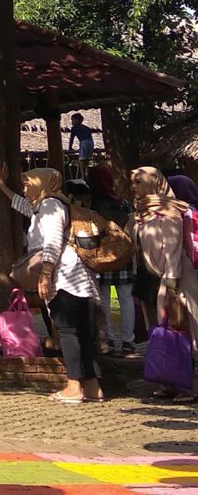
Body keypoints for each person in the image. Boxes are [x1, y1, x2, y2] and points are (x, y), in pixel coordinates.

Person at [18, 167, 105, 405]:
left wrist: (46, 274)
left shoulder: (49, 206)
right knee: (84, 334)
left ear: (41, 183)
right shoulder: (46, 205)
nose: (24, 189)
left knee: (67, 331)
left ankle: (74, 386)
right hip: (78, 278)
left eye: (27, 184)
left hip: (65, 277)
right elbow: (23, 205)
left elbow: (53, 241)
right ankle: (93, 387)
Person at [132, 166, 198, 399]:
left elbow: (172, 250)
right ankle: (169, 380)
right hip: (150, 279)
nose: (133, 187)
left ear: (152, 183)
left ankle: (189, 386)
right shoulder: (142, 212)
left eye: (138, 182)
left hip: (175, 281)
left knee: (184, 330)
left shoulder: (170, 213)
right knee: (161, 331)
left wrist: (170, 285)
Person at [85, 167, 135, 356]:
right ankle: (128, 340)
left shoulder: (93, 206)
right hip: (124, 255)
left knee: (107, 299)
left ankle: (113, 339)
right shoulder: (123, 203)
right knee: (125, 298)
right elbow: (131, 226)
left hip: (104, 256)